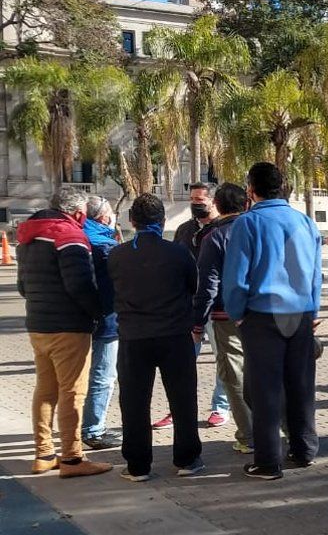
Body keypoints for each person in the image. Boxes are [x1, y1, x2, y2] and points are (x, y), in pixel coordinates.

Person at [223, 161, 323, 480]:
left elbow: (236, 279)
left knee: (265, 390)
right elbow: (316, 273)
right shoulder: (306, 222)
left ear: (250, 190)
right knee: (301, 385)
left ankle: (267, 462)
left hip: (262, 314)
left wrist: (238, 316)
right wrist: (314, 309)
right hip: (301, 312)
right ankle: (304, 449)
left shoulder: (247, 223)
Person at [15, 187, 111, 478]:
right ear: (79, 213)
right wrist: (98, 312)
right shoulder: (69, 235)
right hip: (69, 325)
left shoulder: (27, 236)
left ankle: (43, 453)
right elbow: (79, 284)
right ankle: (72, 458)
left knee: (45, 389)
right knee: (73, 392)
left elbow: (22, 286)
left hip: (38, 323)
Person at [108, 194, 204, 481]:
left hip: (133, 337)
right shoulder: (178, 253)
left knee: (135, 402)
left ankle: (138, 465)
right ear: (162, 222)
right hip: (174, 335)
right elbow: (193, 286)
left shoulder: (117, 255)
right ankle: (187, 459)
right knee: (183, 399)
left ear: (132, 222)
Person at [156, 181, 226, 431]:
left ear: (213, 201)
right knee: (183, 361)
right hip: (188, 306)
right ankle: (179, 409)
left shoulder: (223, 229)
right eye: (193, 199)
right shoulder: (184, 230)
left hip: (217, 307)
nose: (196, 204)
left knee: (223, 359)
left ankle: (221, 406)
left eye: (201, 200)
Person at [192, 183, 254, 454]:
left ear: (216, 203)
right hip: (263, 313)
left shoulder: (214, 237)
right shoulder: (259, 230)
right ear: (247, 203)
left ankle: (249, 435)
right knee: (265, 370)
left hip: (226, 316)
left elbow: (208, 286)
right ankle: (280, 429)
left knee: (233, 375)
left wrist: (197, 323)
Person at [81, 195, 122, 450]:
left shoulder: (77, 239)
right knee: (103, 376)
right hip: (106, 320)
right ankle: (93, 429)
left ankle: (77, 426)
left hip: (77, 320)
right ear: (104, 218)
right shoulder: (106, 247)